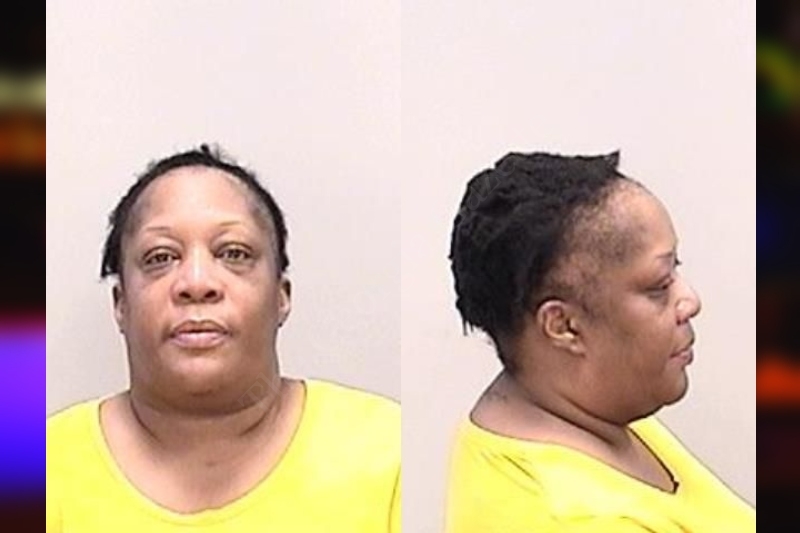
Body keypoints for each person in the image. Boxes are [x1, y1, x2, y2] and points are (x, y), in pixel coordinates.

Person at [46, 145, 400, 532]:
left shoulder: (389, 451)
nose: (197, 283)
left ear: (281, 296)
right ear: (121, 303)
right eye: (160, 257)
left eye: (234, 253)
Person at [444, 151, 754, 532]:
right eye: (659, 286)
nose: (690, 301)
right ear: (564, 326)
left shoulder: (585, 408)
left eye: (676, 270)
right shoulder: (579, 519)